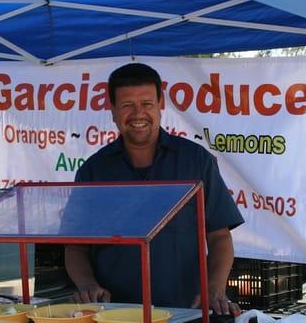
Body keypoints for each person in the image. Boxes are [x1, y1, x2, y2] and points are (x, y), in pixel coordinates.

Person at [65, 63, 244, 315]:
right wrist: (87, 285)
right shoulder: (94, 171)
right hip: (114, 313)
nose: (138, 114)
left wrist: (214, 289)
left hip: (184, 311)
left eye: (147, 104)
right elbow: (75, 247)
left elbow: (220, 237)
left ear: (161, 105)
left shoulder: (196, 161)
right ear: (113, 110)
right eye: (127, 105)